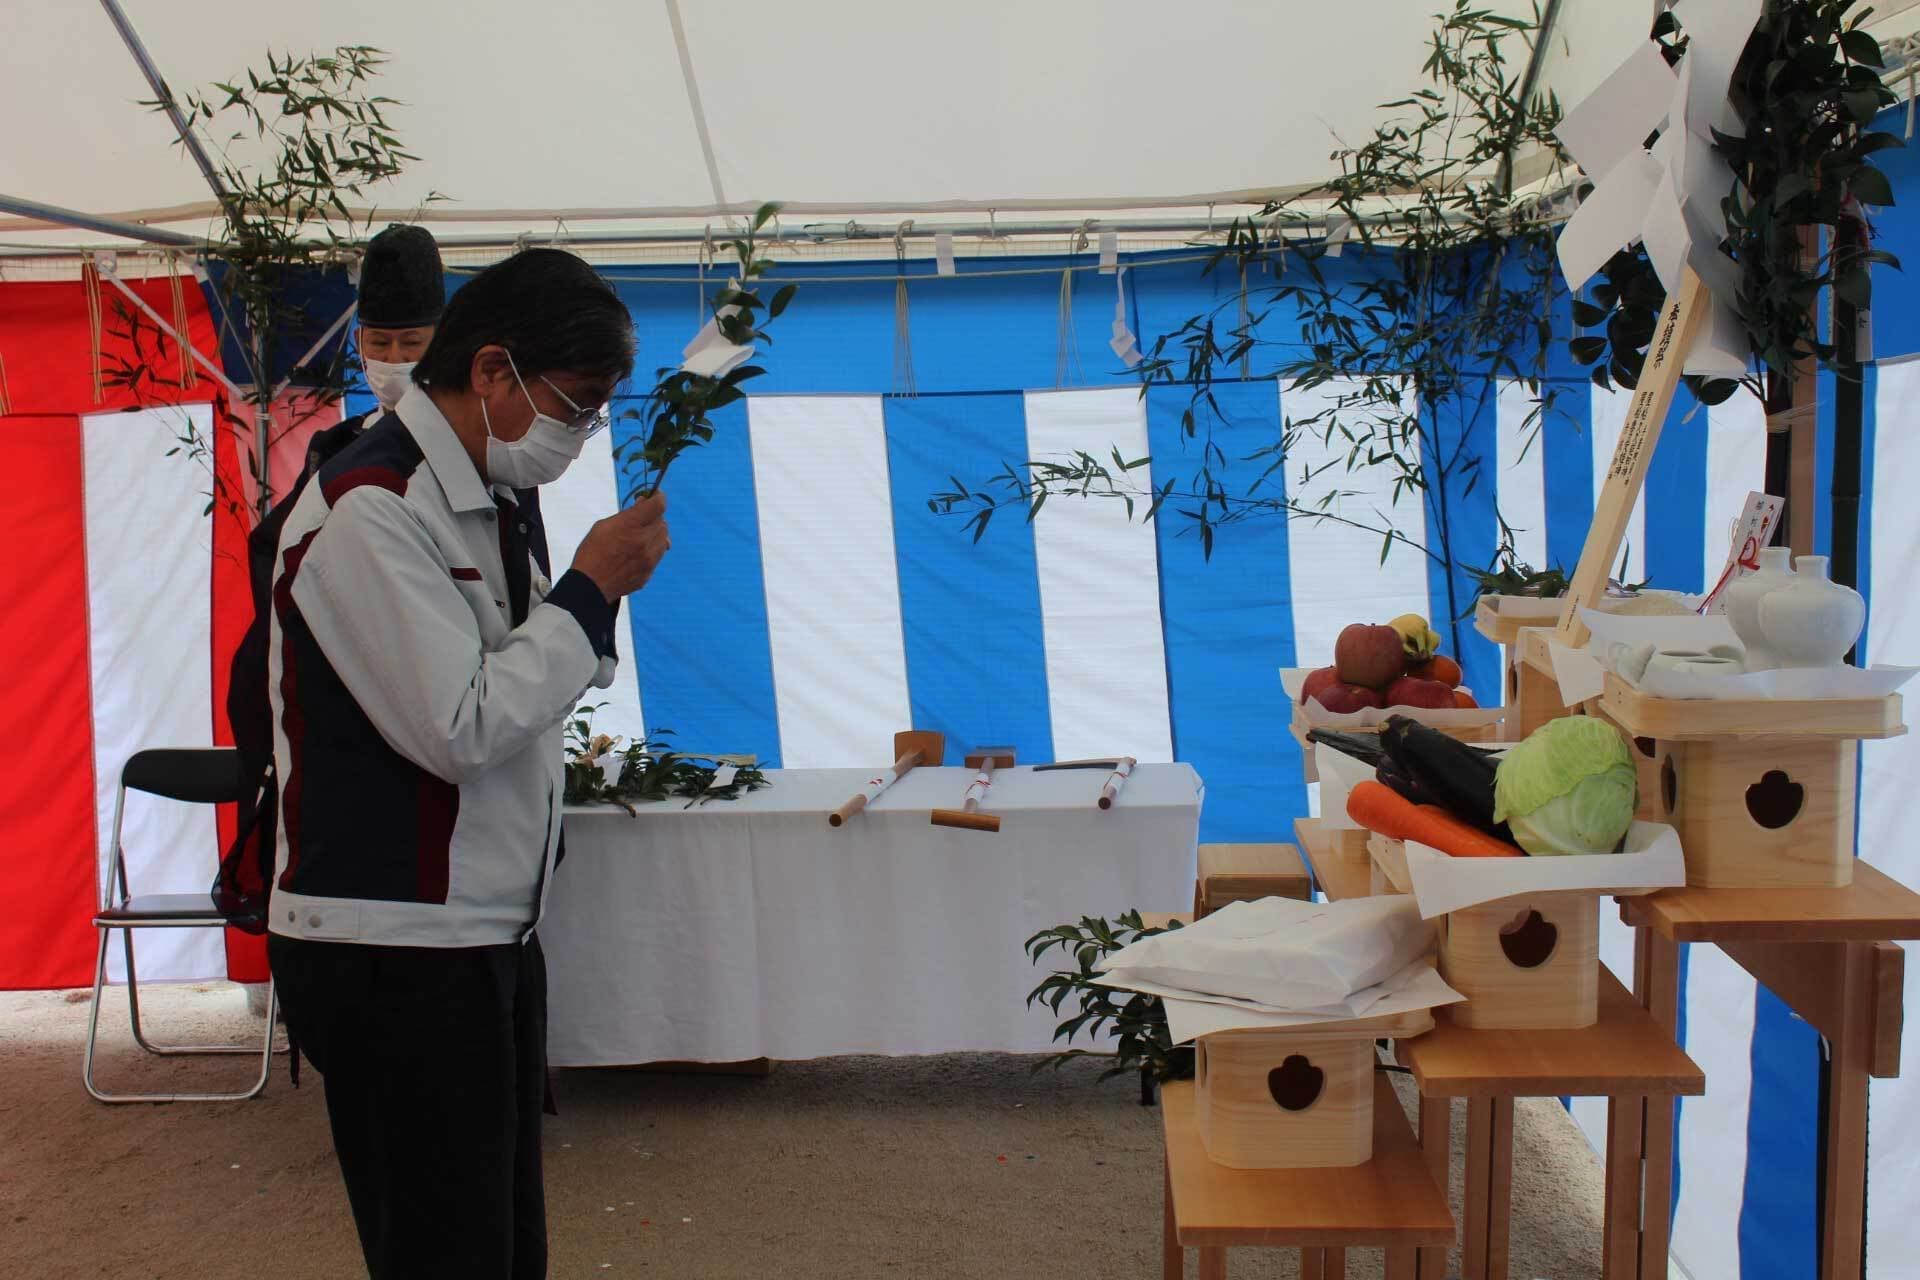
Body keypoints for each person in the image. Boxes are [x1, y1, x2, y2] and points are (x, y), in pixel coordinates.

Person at [264, 248, 669, 1279]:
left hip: (477, 930)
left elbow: (529, 669)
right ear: (491, 370)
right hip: (393, 943)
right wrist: (589, 590)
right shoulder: (371, 504)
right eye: (574, 405)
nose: (577, 434)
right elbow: (461, 724)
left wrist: (585, 602)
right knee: (446, 1250)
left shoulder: (481, 492)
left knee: (499, 1243)